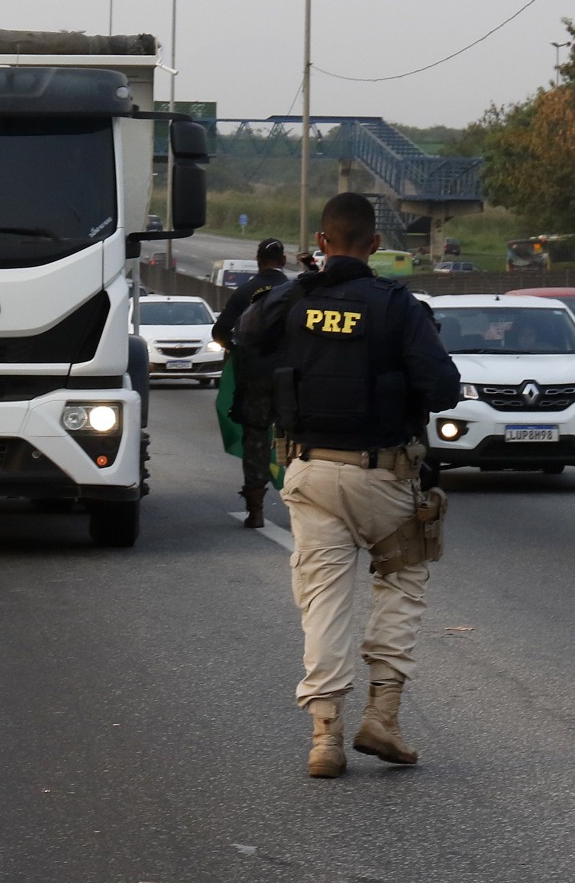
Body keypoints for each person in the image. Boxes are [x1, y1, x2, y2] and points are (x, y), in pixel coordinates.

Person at [240, 193, 460, 779]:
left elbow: (245, 335)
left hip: (309, 472)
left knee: (324, 601)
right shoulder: (398, 306)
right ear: (376, 245)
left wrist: (302, 284)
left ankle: (325, 738)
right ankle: (382, 717)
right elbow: (443, 389)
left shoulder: (296, 299)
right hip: (383, 475)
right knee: (402, 581)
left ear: (321, 242)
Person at [213, 238, 293, 528]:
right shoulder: (297, 292)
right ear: (283, 261)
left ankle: (256, 511)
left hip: (255, 378)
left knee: (256, 440)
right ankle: (302, 506)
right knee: (297, 440)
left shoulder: (244, 292)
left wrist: (237, 350)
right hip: (290, 380)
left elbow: (220, 332)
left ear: (258, 261)